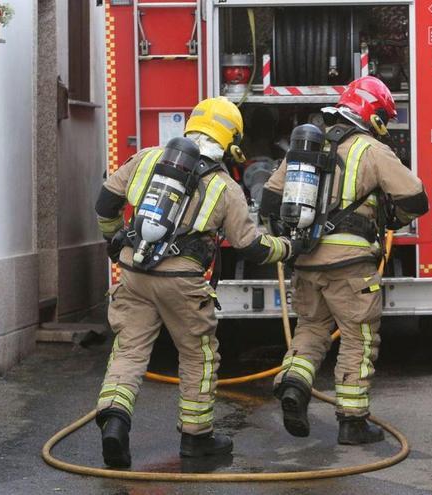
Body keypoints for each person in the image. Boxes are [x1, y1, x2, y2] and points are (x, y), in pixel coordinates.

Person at [94, 96, 296, 467]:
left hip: (134, 273)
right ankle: (197, 438)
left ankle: (114, 422)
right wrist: (286, 247)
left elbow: (105, 204)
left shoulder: (147, 159)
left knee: (129, 349)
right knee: (197, 355)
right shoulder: (224, 187)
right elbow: (250, 247)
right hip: (183, 283)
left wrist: (114, 239)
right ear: (231, 141)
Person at [260, 76, 429, 445]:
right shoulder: (372, 150)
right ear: (374, 115)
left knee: (310, 330)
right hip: (351, 267)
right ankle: (352, 422)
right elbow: (416, 198)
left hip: (306, 261)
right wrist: (393, 219)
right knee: (358, 338)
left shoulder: (305, 147)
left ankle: (293, 383)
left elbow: (270, 201)